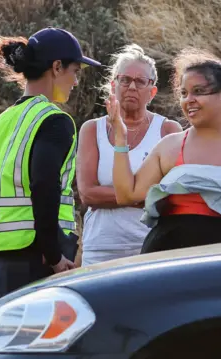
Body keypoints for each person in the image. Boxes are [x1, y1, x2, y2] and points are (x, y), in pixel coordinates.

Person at [0, 27, 101, 307]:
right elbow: (43, 184)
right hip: (35, 263)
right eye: (75, 71)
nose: (75, 82)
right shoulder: (53, 120)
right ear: (57, 67)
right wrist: (53, 255)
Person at [107, 48, 221, 253]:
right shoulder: (169, 146)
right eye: (184, 93)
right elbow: (126, 195)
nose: (189, 100)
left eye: (199, 91)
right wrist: (120, 137)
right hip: (165, 252)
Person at [76, 44, 182, 266]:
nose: (132, 86)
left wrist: (119, 195)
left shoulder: (168, 130)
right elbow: (88, 194)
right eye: (125, 80)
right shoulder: (91, 129)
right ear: (113, 86)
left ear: (152, 91)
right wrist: (139, 195)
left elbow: (171, 195)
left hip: (151, 246)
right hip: (101, 248)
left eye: (140, 81)